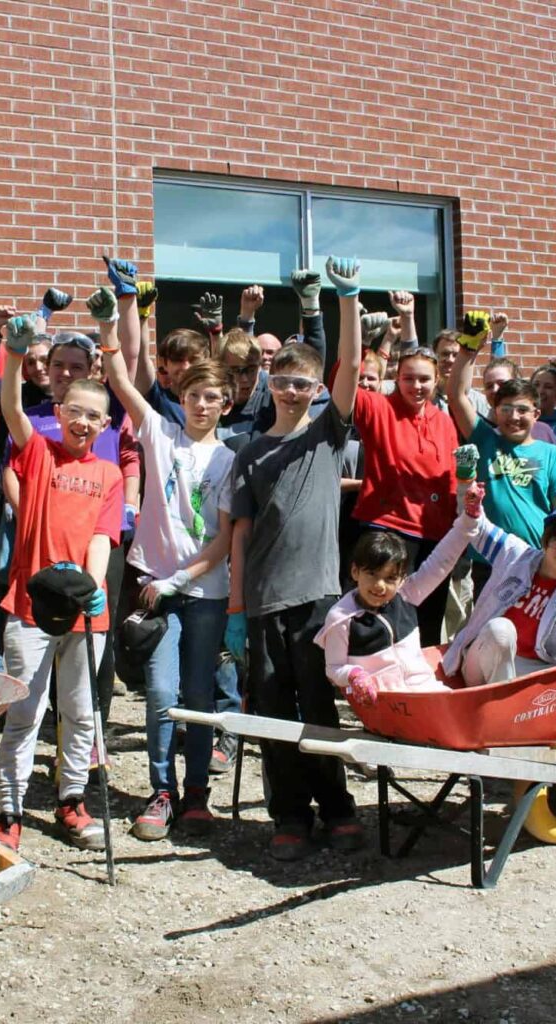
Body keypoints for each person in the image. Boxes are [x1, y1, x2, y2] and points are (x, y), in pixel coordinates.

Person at [228, 256, 362, 862]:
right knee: (277, 712)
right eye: (280, 381)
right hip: (263, 603)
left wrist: (347, 298)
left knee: (319, 708)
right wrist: (236, 603)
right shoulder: (251, 451)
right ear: (270, 385)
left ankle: (336, 807)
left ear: (315, 391)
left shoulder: (328, 435)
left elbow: (351, 364)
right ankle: (289, 815)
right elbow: (240, 530)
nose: (290, 391)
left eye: (302, 383)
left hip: (317, 599)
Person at [93, 284, 236, 840]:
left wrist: (180, 578)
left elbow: (223, 540)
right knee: (159, 693)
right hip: (154, 586)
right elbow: (122, 383)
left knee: (199, 697)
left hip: (203, 591)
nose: (202, 405)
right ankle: (160, 790)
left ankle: (196, 792)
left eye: (213, 397)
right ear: (182, 393)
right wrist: (111, 326)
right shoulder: (160, 433)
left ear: (226, 403)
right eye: (194, 394)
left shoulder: (229, 458)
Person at [0, 312, 124, 852]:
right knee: (26, 709)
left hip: (85, 611)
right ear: (62, 412)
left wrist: (93, 587)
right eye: (77, 413)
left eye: (96, 417)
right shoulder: (39, 453)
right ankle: (10, 806)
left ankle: (72, 798)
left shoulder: (109, 474)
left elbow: (101, 536)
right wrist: (17, 356)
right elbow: (11, 408)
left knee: (81, 709)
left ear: (105, 424)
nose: (85, 423)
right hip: (29, 605)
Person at [345, 300, 460, 647]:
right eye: (409, 378)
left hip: (435, 536)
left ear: (437, 380)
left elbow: (452, 475)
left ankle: (418, 691)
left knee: (428, 620)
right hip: (388, 527)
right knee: (380, 617)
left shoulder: (443, 420)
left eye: (425, 379)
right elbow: (344, 377)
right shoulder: (378, 407)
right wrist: (361, 341)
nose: (417, 386)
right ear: (397, 378)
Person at [315, 465, 484, 702]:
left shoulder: (406, 594)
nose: (380, 586)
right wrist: (354, 674)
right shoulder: (340, 617)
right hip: (386, 703)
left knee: (469, 711)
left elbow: (442, 559)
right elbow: (333, 668)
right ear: (355, 571)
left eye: (390, 578)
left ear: (402, 579)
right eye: (372, 574)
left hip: (425, 691)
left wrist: (469, 519)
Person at [447, 320, 556, 551]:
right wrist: (467, 348)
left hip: (536, 557)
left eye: (522, 410)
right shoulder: (485, 440)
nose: (514, 417)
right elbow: (456, 396)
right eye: (505, 409)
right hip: (488, 559)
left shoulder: (552, 453)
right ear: (495, 411)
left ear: (536, 414)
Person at [442, 500, 556, 685]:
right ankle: (502, 701)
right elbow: (477, 528)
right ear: (545, 542)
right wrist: (467, 492)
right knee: (500, 629)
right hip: (481, 659)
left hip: (532, 670)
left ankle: (510, 702)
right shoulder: (517, 555)